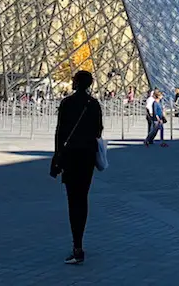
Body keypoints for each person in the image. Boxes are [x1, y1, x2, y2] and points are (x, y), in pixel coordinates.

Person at [51, 70, 103, 266]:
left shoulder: (67, 103)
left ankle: (77, 246)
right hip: (87, 156)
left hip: (70, 156)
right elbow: (99, 130)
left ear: (77, 83)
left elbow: (59, 132)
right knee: (83, 197)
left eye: (73, 80)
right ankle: (79, 243)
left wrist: (57, 156)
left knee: (73, 200)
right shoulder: (94, 104)